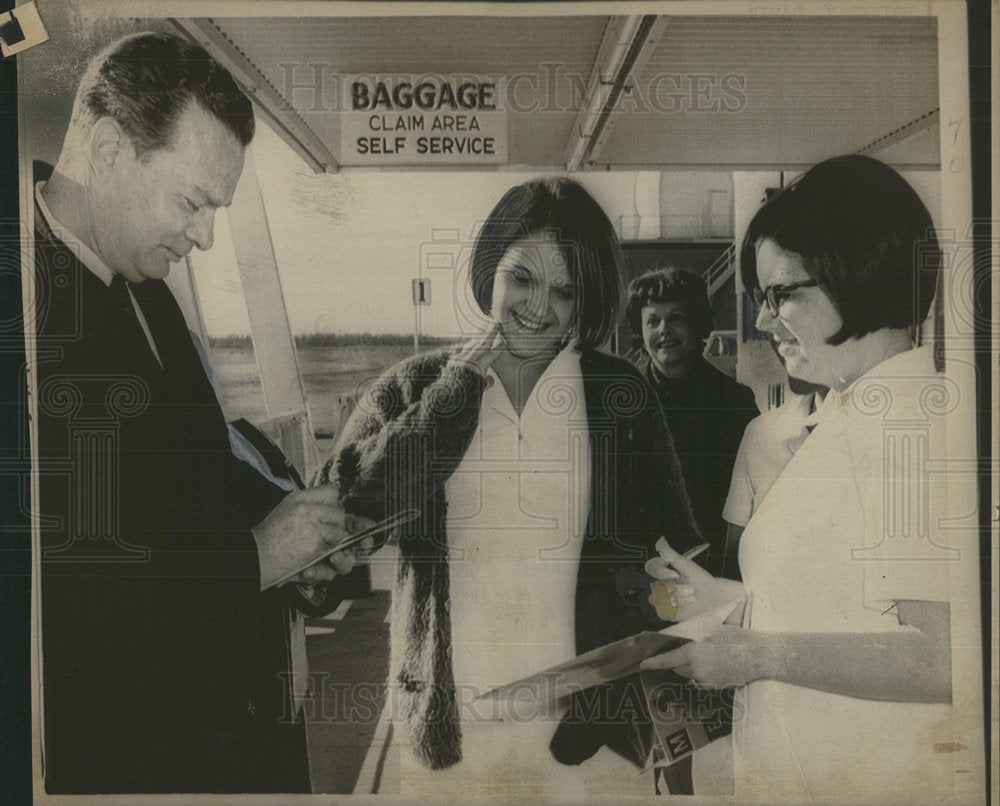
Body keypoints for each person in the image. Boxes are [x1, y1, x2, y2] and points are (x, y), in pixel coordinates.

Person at [33, 32, 370, 793]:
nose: (208, 236)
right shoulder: (23, 309)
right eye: (194, 202)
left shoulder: (146, 288)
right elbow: (65, 595)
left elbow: (197, 470)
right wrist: (258, 557)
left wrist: (298, 535)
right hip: (130, 758)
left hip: (223, 736)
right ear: (112, 152)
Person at [317, 177, 702, 798]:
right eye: (522, 278)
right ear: (489, 265)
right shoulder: (413, 386)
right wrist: (451, 398)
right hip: (453, 740)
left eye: (566, 290)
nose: (538, 307)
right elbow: (341, 510)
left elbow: (679, 556)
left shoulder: (622, 397)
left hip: (593, 744)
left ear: (587, 299)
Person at [642, 155, 966, 803]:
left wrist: (759, 657)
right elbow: (843, 600)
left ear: (859, 276)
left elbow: (949, 659)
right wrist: (723, 599)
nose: (762, 321)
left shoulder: (907, 425)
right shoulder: (853, 411)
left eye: (780, 293)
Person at [625, 268, 758, 580]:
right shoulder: (620, 403)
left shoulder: (734, 403)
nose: (664, 330)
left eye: (677, 317)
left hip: (713, 570)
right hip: (638, 573)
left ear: (697, 321)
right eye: (652, 321)